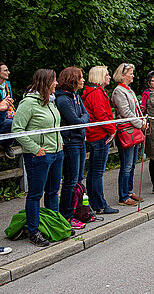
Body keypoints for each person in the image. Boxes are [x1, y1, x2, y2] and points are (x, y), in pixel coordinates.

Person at [12, 69, 64, 247]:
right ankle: (33, 231)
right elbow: (17, 130)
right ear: (45, 82)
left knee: (52, 192)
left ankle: (54, 226)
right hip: (39, 156)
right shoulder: (28, 103)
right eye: (54, 81)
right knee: (35, 195)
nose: (56, 84)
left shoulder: (50, 101)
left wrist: (60, 142)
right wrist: (34, 148)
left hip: (56, 153)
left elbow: (55, 125)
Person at [54, 67, 91, 230]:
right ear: (72, 80)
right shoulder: (63, 100)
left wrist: (82, 120)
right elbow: (76, 120)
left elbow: (86, 115)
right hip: (71, 142)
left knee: (78, 180)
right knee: (70, 180)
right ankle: (67, 215)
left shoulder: (76, 96)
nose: (83, 80)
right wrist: (82, 120)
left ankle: (77, 210)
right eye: (81, 77)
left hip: (80, 140)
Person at [82, 66, 119, 215]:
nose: (109, 77)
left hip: (95, 134)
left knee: (93, 171)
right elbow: (101, 115)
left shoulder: (92, 92)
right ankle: (99, 204)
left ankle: (95, 202)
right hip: (99, 135)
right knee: (97, 172)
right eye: (107, 75)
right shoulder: (97, 93)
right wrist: (112, 130)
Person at [111, 63, 145, 206]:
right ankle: (123, 196)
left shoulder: (128, 90)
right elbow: (126, 112)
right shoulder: (119, 91)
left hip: (134, 130)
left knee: (131, 165)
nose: (133, 76)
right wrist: (140, 123)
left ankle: (129, 191)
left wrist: (141, 119)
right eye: (130, 73)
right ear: (122, 75)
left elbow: (135, 110)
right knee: (126, 165)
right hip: (127, 131)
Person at [0, 63, 15, 158]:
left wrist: (9, 102)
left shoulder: (7, 85)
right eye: (5, 70)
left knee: (15, 124)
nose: (8, 72)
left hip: (3, 117)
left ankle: (6, 145)